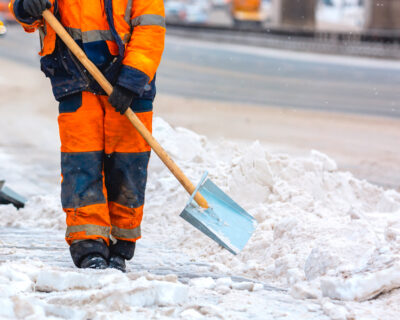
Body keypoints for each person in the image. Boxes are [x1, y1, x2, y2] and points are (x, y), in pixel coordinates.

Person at [9, 0, 165, 271]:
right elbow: (27, 15)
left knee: (128, 164)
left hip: (127, 83)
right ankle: (88, 243)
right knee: (81, 163)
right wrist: (26, 6)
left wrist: (132, 79)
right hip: (75, 79)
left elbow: (150, 30)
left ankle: (121, 242)